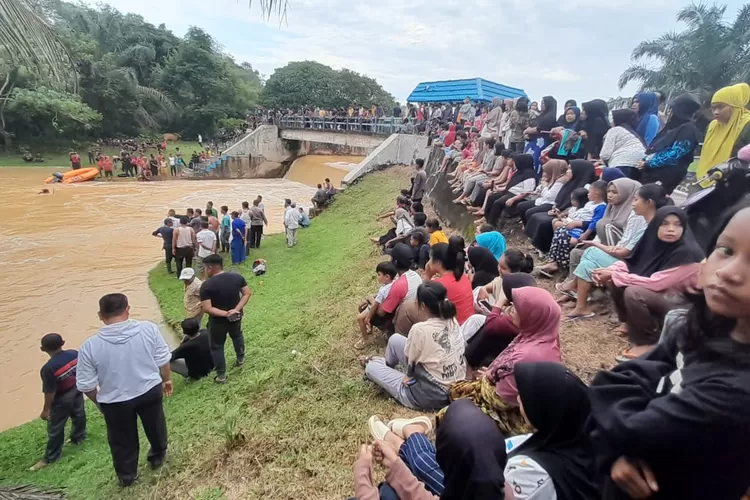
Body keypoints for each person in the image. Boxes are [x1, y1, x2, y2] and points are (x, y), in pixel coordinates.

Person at [587, 201, 750, 500]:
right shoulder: (707, 326)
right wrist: (618, 444)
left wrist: (616, 443)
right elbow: (614, 383)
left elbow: (626, 424)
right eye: (725, 250)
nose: (728, 272)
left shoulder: (737, 392)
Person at [76, 294, 172, 486]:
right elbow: (163, 360)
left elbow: (86, 385)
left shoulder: (89, 346)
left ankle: (127, 476)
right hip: (149, 390)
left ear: (100, 315)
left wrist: (99, 402)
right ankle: (158, 455)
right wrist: (166, 380)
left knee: (121, 439)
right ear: (128, 309)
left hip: (115, 400)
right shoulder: (148, 329)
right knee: (155, 425)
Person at [444, 287, 561, 436]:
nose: (512, 309)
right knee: (456, 392)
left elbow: (500, 401)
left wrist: (487, 378)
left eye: (519, 309)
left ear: (532, 316)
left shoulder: (527, 355)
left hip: (516, 415)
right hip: (513, 398)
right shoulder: (543, 337)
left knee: (450, 412)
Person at [594, 206, 704, 360]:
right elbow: (632, 263)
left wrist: (615, 274)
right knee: (615, 280)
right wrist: (611, 270)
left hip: (684, 305)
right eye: (664, 224)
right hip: (664, 296)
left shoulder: (688, 253)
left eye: (678, 224)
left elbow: (657, 283)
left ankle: (648, 342)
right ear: (655, 225)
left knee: (634, 292)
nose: (671, 229)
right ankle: (629, 324)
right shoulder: (652, 241)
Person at [353, 399, 507, 500]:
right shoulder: (499, 492)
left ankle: (405, 437)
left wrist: (362, 473)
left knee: (388, 494)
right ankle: (402, 440)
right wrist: (395, 465)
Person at [559, 183, 667, 315]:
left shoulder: (650, 225)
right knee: (587, 261)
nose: (632, 203)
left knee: (590, 252)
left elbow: (626, 252)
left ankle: (574, 288)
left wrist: (595, 244)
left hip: (637, 267)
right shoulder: (641, 220)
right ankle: (581, 306)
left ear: (649, 203)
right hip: (627, 259)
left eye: (636, 199)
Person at [364, 281, 466, 410]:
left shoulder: (420, 329)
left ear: (422, 305)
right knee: (395, 339)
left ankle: (379, 365)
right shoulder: (452, 319)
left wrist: (408, 376)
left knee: (371, 367)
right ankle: (387, 364)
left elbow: (412, 362)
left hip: (434, 394)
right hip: (457, 383)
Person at [505, 362, 599, 500]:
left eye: (525, 398)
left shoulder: (529, 474)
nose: (518, 399)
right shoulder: (593, 442)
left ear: (544, 412)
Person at [31, 333, 86, 471]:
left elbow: (50, 391)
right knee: (78, 414)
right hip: (77, 389)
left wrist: (46, 409)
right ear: (63, 343)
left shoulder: (48, 368)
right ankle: (78, 438)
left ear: (42, 349)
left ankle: (51, 457)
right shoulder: (74, 354)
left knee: (55, 427)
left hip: (62, 398)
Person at [463, 273, 537, 370]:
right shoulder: (533, 308)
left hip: (490, 356)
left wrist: (500, 301)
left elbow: (491, 324)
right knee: (476, 319)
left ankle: (463, 357)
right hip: (508, 348)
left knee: (485, 327)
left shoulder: (518, 318)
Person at [199, 254, 252, 384]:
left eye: (205, 268)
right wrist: (236, 310)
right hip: (236, 317)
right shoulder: (236, 277)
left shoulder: (206, 286)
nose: (205, 271)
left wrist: (225, 314)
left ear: (210, 267)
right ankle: (241, 359)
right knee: (237, 336)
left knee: (217, 347)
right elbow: (247, 293)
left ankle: (221, 376)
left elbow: (207, 308)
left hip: (217, 322)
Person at [525, 160, 596, 254]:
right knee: (536, 216)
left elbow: (579, 206)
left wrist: (562, 213)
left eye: (570, 169)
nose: (567, 171)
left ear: (579, 170)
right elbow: (561, 200)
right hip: (563, 212)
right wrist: (557, 209)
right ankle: (537, 244)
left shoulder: (586, 188)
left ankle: (544, 248)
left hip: (573, 216)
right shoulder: (571, 182)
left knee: (543, 221)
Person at [541, 180, 608, 276]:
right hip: (574, 224)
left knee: (567, 238)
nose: (588, 194)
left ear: (596, 194)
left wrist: (585, 234)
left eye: (589, 192)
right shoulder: (590, 204)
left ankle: (563, 264)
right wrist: (564, 219)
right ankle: (554, 260)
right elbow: (578, 216)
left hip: (582, 229)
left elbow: (594, 223)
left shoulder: (601, 207)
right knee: (559, 232)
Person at [638, 93, 701, 194]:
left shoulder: (688, 129)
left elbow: (675, 154)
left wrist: (649, 163)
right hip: (652, 172)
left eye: (672, 109)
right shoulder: (672, 127)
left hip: (666, 175)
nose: (669, 112)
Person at [696, 82, 750, 185]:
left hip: (733, 184)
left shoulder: (747, 125)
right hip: (704, 179)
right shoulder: (713, 125)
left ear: (734, 106)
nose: (716, 112)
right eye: (713, 108)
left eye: (721, 107)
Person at [425, 238, 475, 325]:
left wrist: (427, 276)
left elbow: (422, 300)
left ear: (437, 262)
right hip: (469, 324)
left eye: (430, 258)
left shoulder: (438, 285)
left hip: (456, 328)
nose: (428, 262)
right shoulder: (463, 276)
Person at [356, 261, 397, 349]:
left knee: (360, 318)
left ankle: (366, 339)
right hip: (386, 309)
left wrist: (368, 317)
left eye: (379, 274)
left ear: (387, 277)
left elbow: (375, 304)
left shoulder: (383, 290)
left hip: (377, 310)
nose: (377, 277)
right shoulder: (394, 283)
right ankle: (369, 329)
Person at [600, 109, 647, 179]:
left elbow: (605, 155)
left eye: (612, 119)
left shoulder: (615, 130)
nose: (611, 123)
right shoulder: (634, 133)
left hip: (621, 163)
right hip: (639, 164)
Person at [523, 96, 557, 172]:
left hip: (540, 143)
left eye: (543, 103)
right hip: (533, 142)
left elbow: (539, 129)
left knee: (535, 160)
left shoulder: (550, 117)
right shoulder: (542, 115)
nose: (541, 105)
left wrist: (527, 131)